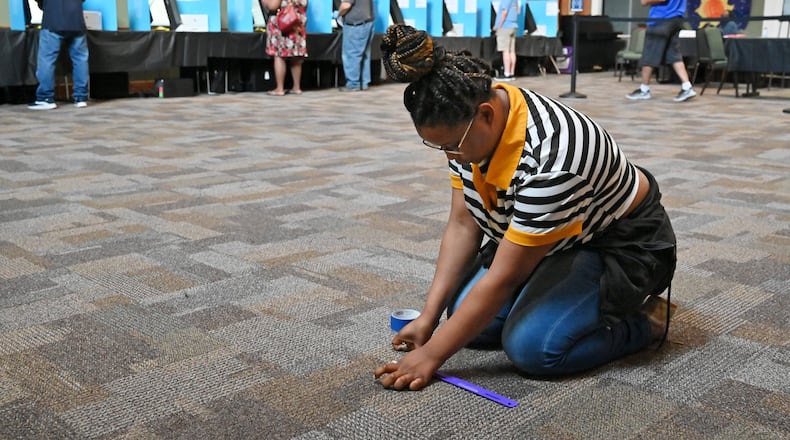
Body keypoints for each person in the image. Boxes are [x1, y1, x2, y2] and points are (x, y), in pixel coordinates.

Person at [375, 25, 677, 391]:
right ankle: (553, 290)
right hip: (548, 236)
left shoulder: (555, 158)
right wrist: (430, 315)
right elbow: (462, 223)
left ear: (486, 114)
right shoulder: (464, 121)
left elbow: (504, 278)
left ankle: (645, 322)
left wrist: (432, 356)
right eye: (437, 147)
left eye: (453, 146)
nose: (451, 156)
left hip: (613, 243)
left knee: (534, 349)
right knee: (474, 325)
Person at [625, 0, 696, 102]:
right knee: (673, 54)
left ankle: (644, 90)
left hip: (661, 19)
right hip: (676, 18)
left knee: (649, 53)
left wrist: (645, 1)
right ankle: (687, 87)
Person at [28, 0, 89, 110]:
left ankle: (45, 98)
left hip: (53, 19)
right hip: (76, 20)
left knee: (47, 59)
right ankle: (81, 98)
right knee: (80, 59)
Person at [264, 0, 308, 96]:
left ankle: (279, 88)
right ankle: (296, 87)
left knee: (279, 54)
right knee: (296, 54)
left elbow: (273, 6)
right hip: (297, 20)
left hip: (283, 21)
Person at [336, 0, 375, 92]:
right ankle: (363, 83)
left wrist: (338, 14)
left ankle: (353, 84)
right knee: (364, 54)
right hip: (367, 22)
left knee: (351, 54)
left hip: (356, 25)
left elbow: (346, 5)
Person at [493, 0, 519, 81]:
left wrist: (498, 26)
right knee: (512, 51)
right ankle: (511, 73)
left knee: (505, 51)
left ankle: (506, 73)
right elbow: (517, 11)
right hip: (513, 26)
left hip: (505, 26)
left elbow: (504, 12)